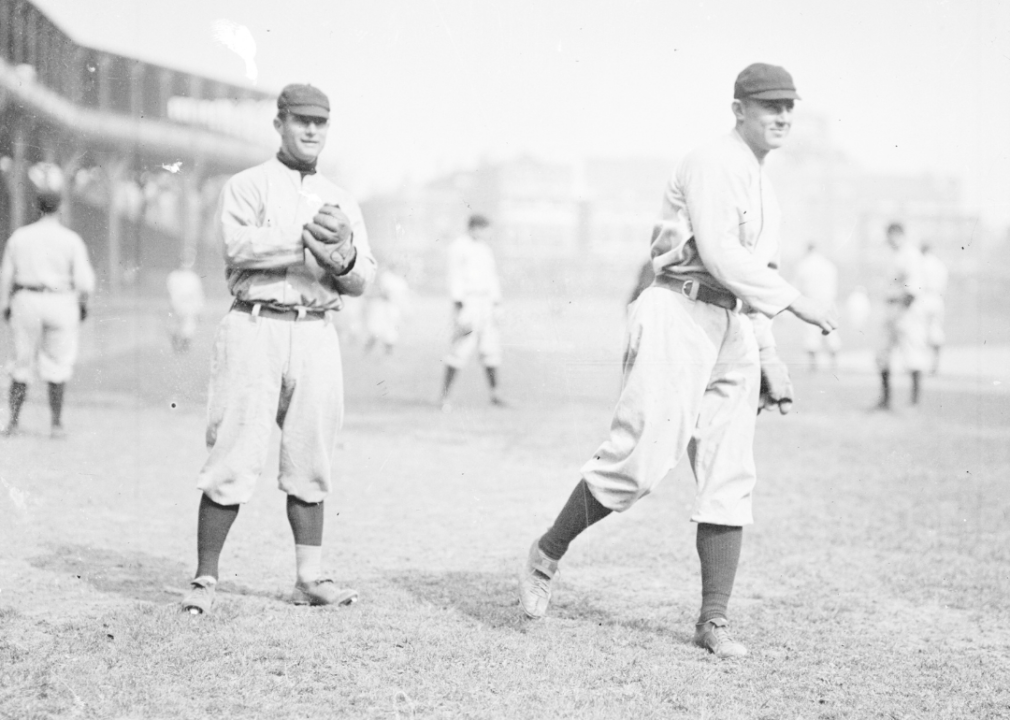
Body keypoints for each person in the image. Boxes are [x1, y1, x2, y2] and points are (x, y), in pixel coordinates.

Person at [517, 63, 838, 659]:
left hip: (732, 324)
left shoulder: (763, 182)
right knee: (638, 462)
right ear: (738, 109)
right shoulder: (713, 160)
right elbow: (717, 255)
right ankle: (546, 552)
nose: (783, 116)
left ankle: (712, 620)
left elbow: (750, 274)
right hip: (679, 311)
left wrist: (767, 351)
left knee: (729, 474)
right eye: (769, 105)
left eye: (789, 106)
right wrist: (795, 303)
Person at [181, 83, 377, 614]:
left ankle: (309, 578)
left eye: (320, 122)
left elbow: (362, 278)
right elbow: (236, 246)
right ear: (279, 124)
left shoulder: (342, 198)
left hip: (316, 330)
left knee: (311, 455)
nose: (311, 131)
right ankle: (204, 578)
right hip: (255, 324)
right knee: (233, 452)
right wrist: (310, 240)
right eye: (300, 121)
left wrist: (345, 254)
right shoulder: (247, 185)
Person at [0, 163, 95, 439]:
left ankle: (14, 423)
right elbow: (85, 282)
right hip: (60, 300)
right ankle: (55, 424)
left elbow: (6, 275)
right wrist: (83, 304)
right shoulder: (70, 239)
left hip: (27, 299)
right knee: (58, 362)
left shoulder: (21, 236)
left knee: (21, 361)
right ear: (59, 208)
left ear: (37, 207)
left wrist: (5, 305)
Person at [439, 214, 505, 410]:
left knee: (490, 349)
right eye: (485, 229)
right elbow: (454, 277)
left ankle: (495, 394)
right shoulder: (458, 247)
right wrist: (460, 306)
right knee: (460, 349)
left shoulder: (484, 249)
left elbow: (492, 278)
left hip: (486, 302)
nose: (487, 233)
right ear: (475, 227)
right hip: (468, 302)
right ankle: (445, 397)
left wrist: (497, 303)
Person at [874, 222, 926, 409]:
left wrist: (901, 311)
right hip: (890, 307)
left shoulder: (911, 255)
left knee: (912, 354)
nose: (890, 239)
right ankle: (885, 400)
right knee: (882, 354)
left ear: (900, 235)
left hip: (906, 310)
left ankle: (915, 401)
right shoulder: (890, 255)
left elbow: (913, 289)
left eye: (893, 235)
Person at [793, 243, 840, 371]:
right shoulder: (828, 265)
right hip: (828, 301)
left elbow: (797, 286)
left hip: (811, 301)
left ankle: (813, 365)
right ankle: (834, 363)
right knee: (831, 331)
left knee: (811, 333)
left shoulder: (804, 265)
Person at [363, 264, 411, 355]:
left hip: (392, 308)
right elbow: (381, 291)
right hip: (381, 306)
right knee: (375, 330)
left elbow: (403, 298)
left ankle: (388, 353)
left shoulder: (401, 281)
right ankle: (367, 351)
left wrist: (405, 310)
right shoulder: (386, 276)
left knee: (390, 331)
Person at [920, 243, 948, 375]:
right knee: (935, 331)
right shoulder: (939, 264)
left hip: (923, 298)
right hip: (936, 298)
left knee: (920, 332)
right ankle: (935, 364)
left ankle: (921, 365)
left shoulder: (920, 262)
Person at [166, 260, 206, 353]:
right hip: (176, 303)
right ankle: (176, 344)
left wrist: (199, 307)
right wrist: (172, 304)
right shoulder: (174, 276)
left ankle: (184, 346)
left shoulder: (193, 277)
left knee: (188, 325)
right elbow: (170, 291)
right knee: (174, 326)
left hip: (189, 304)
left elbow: (198, 293)